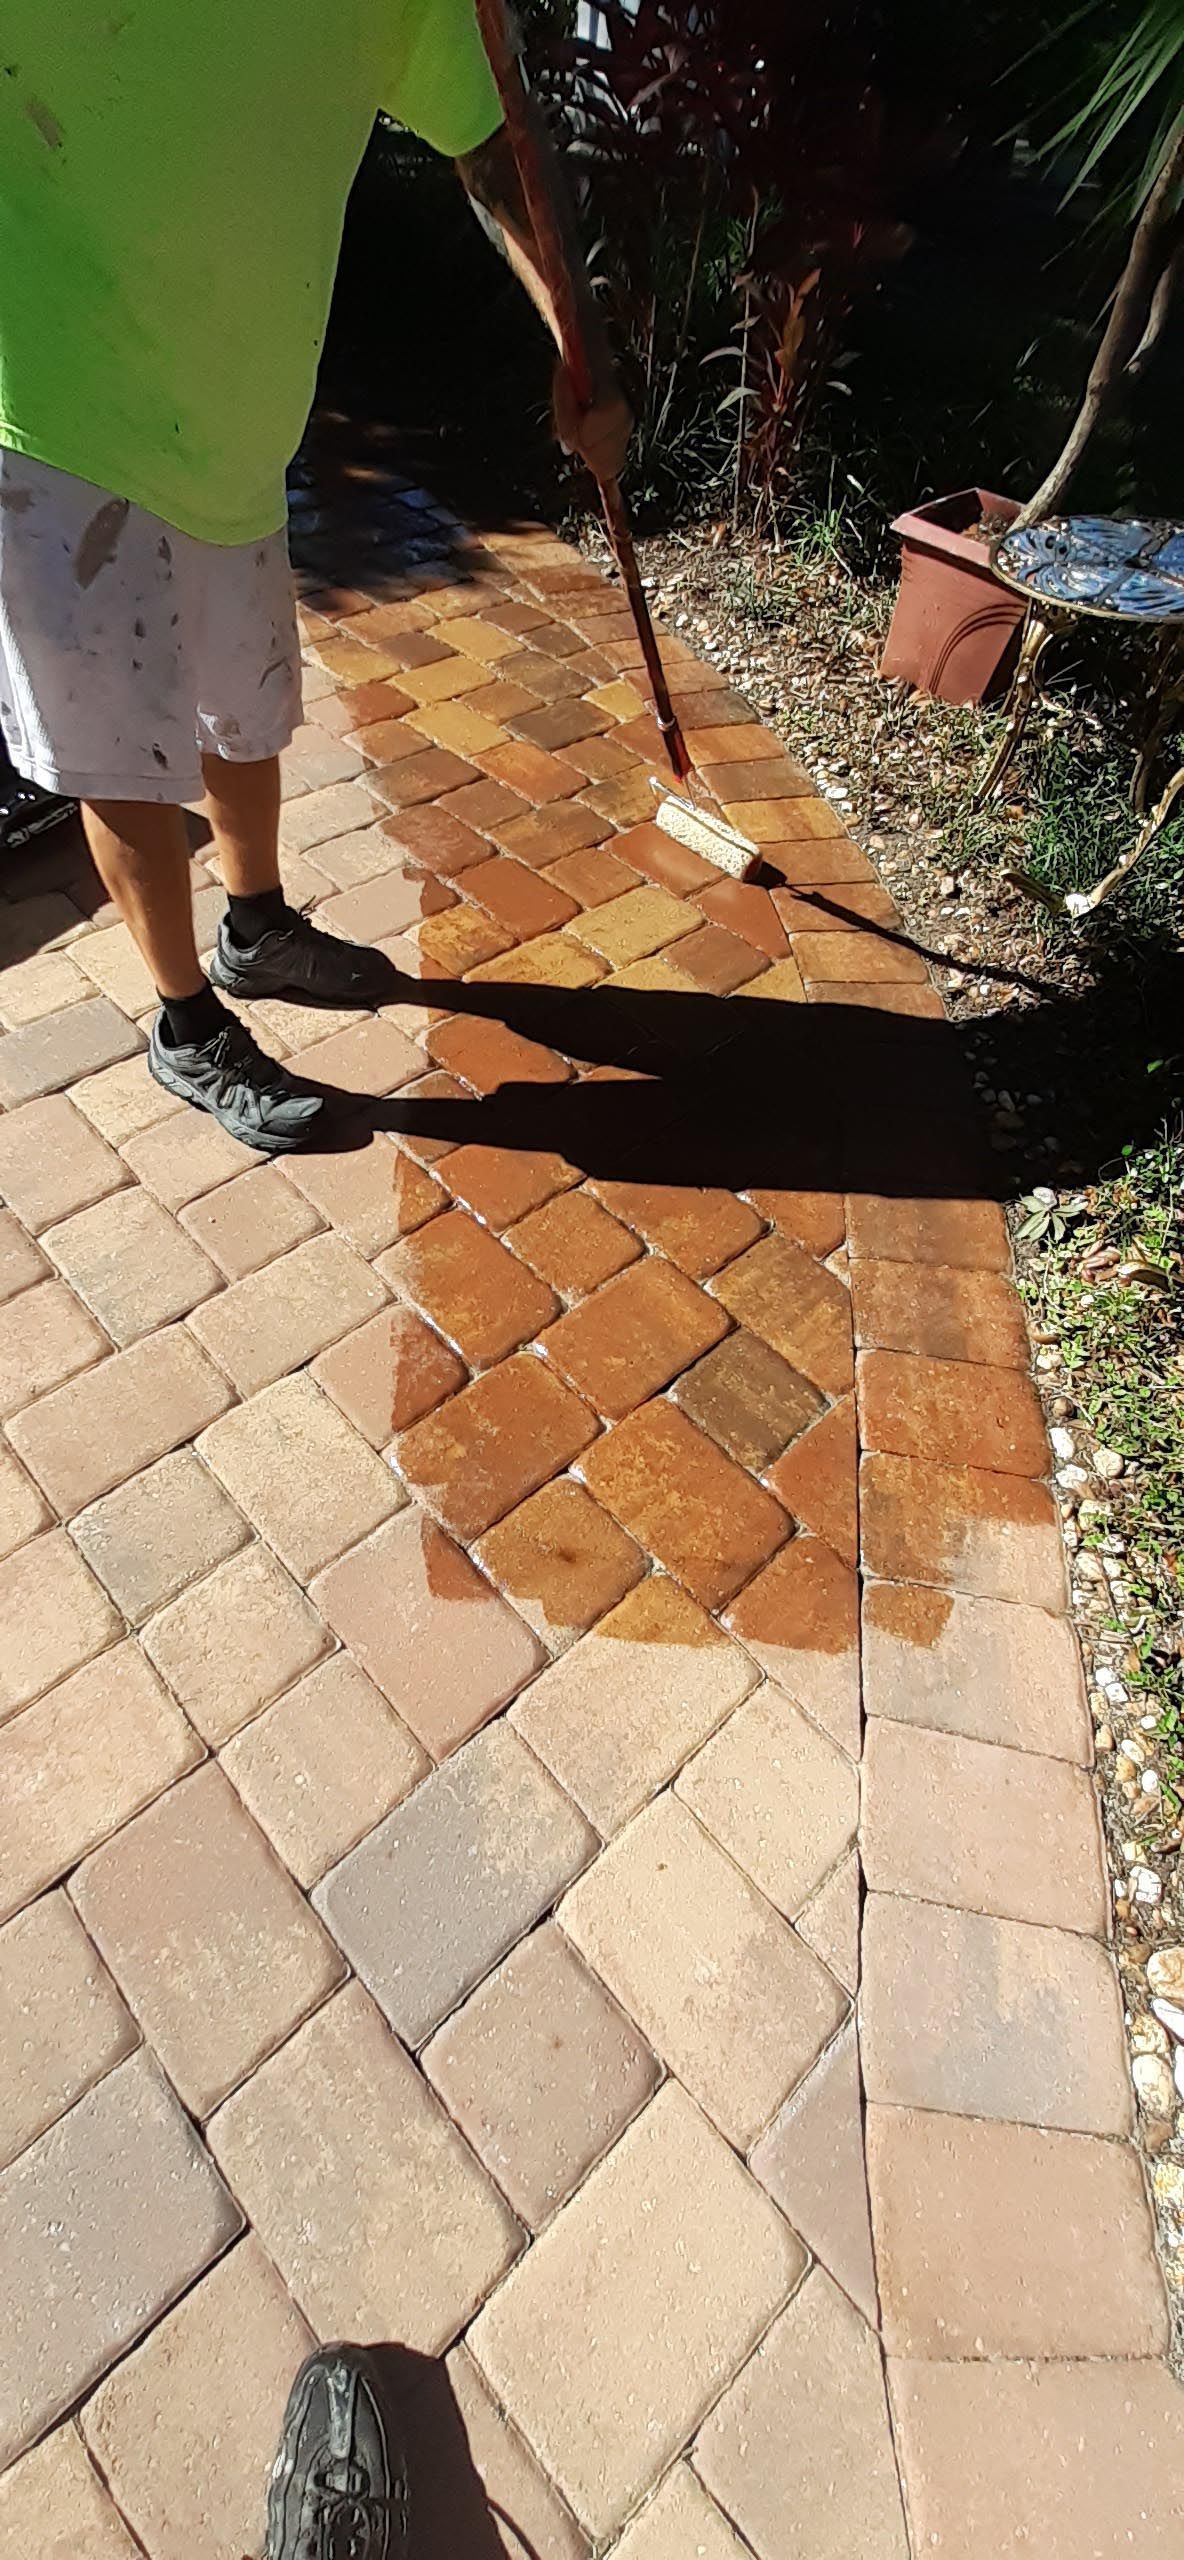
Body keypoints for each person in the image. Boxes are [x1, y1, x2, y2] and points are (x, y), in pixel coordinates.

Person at [1, 5, 630, 1151]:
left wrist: (574, 341)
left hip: (239, 422)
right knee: (118, 744)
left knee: (247, 703)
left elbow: (495, 149)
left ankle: (257, 927)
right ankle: (186, 1021)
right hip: (52, 427)